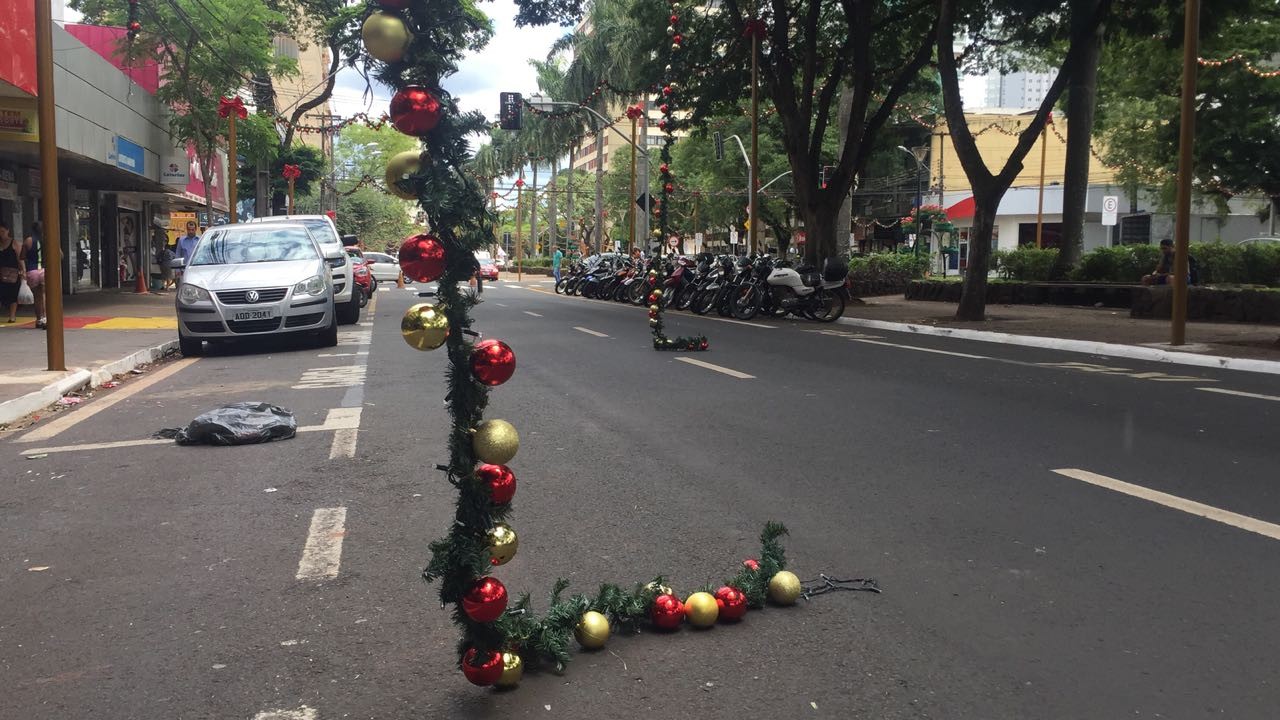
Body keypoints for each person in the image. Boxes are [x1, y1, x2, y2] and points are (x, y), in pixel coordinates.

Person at [20, 221, 46, 328]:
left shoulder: (28, 241)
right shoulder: (47, 239)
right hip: (44, 270)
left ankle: (39, 319)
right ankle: (45, 318)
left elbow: (22, 256)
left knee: (37, 296)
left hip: (32, 271)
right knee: (44, 295)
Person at [0, 221, 21, 323]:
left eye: (3, 231)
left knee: (13, 294)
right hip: (1, 273)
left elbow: (20, 258)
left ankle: (12, 316)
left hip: (13, 273)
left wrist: (23, 270)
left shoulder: (14, 243)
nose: (1, 234)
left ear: (8, 231)